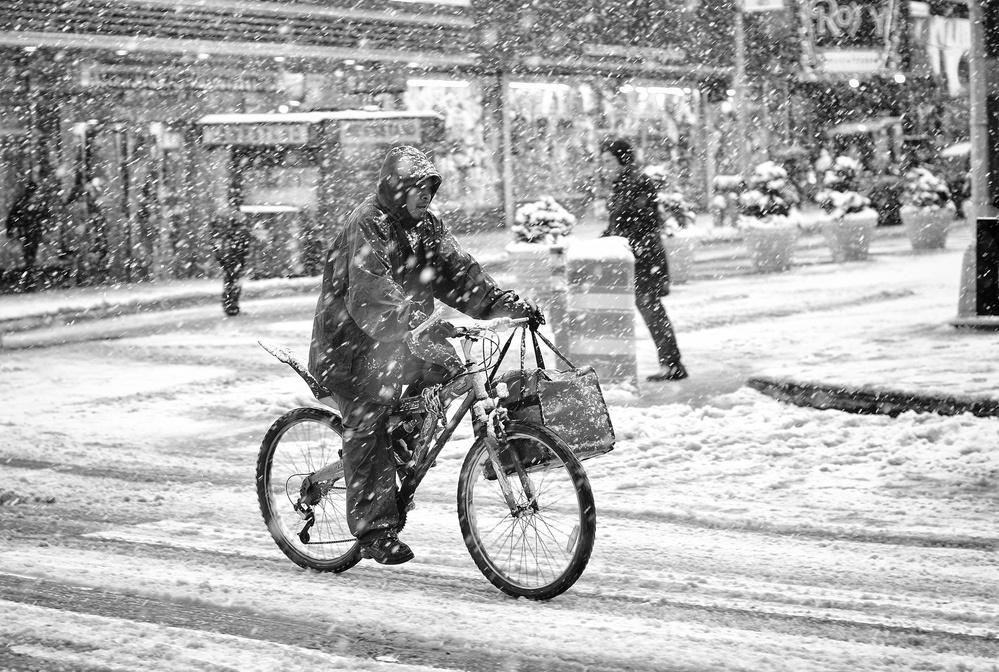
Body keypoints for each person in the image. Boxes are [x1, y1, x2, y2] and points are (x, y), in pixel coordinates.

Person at [308, 145, 544, 565]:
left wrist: (506, 305)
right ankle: (375, 529)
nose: (424, 196)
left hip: (403, 337)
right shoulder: (369, 222)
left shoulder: (427, 225)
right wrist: (410, 321)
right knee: (370, 418)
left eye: (429, 188)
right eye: (415, 187)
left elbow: (460, 275)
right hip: (350, 347)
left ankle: (402, 445)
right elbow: (370, 291)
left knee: (449, 372)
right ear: (396, 188)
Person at [600, 138, 687, 382]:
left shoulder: (638, 183)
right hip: (636, 256)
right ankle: (671, 363)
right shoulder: (623, 184)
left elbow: (644, 223)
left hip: (645, 258)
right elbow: (617, 225)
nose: (605, 167)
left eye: (609, 161)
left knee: (651, 309)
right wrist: (600, 242)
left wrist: (623, 241)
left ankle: (672, 365)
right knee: (650, 310)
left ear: (622, 160)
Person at [4, 180, 49, 291]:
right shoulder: (33, 202)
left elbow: (12, 217)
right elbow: (44, 215)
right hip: (31, 232)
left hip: (26, 232)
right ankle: (30, 276)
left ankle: (29, 277)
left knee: (29, 254)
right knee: (30, 254)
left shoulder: (23, 202)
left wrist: (11, 230)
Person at [210, 206, 252, 316]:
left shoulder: (226, 233)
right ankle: (232, 306)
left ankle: (230, 305)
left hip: (229, 260)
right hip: (234, 260)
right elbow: (244, 246)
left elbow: (218, 245)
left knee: (230, 283)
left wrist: (221, 259)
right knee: (234, 283)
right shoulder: (239, 232)